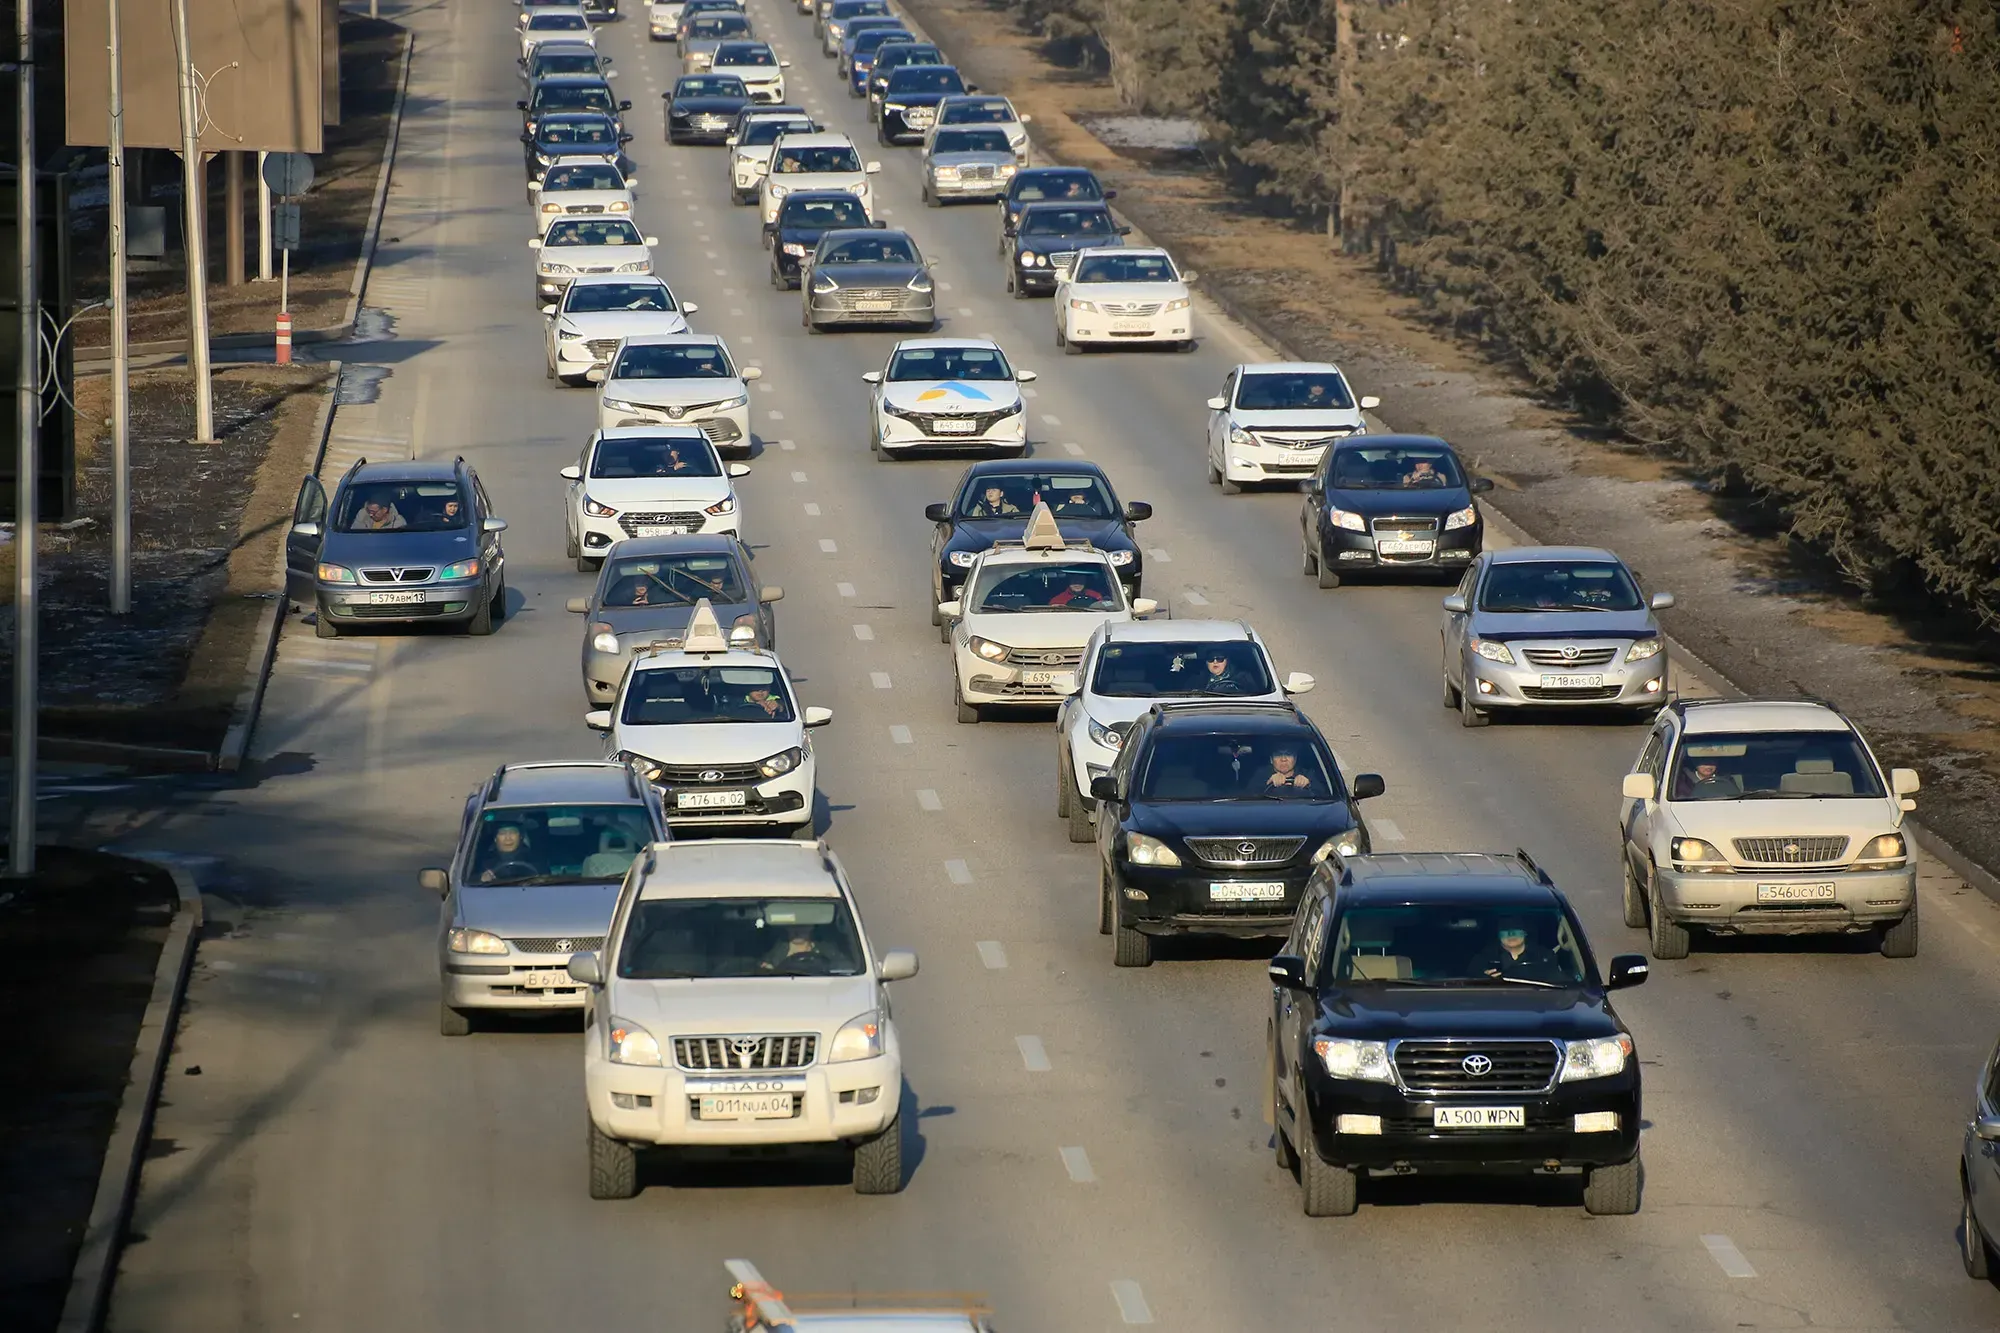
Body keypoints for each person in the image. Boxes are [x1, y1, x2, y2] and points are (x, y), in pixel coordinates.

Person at [1471, 919, 1565, 983]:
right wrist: (1484, 979)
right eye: (1505, 929)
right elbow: (1470, 985)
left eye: (1516, 928)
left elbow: (1559, 983)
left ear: (1525, 932)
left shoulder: (1545, 957)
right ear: (1498, 934)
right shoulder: (1483, 959)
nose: (1511, 934)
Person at [760, 922, 825, 971]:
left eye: (802, 926)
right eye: (793, 926)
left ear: (811, 927)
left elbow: (833, 967)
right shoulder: (775, 952)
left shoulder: (826, 950)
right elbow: (759, 965)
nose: (797, 931)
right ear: (787, 928)